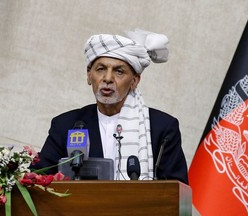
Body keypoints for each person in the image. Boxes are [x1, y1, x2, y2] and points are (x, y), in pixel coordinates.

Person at [31, 29, 188, 184]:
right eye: (101, 69)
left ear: (134, 81)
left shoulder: (162, 128)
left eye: (119, 71)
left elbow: (178, 194)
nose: (107, 78)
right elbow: (37, 179)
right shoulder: (65, 125)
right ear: (89, 75)